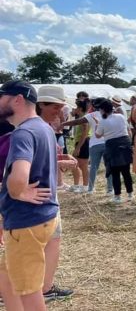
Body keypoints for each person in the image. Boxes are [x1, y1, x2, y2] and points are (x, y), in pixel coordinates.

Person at [0, 81, 60, 310]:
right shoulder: (42, 127)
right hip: (40, 217)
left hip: (26, 222)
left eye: (1, 96)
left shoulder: (22, 133)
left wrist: (18, 191)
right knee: (6, 278)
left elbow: (19, 177)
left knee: (28, 292)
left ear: (17, 99)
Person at [94, 99, 134, 204]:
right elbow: (128, 130)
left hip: (112, 146)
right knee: (126, 171)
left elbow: (98, 135)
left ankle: (117, 196)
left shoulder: (103, 121)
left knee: (115, 172)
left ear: (102, 110)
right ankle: (130, 194)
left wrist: (97, 124)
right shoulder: (121, 116)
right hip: (125, 144)